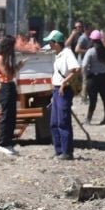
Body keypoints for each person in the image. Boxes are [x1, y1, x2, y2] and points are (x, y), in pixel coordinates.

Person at [45, 30, 81, 160]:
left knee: (63, 121)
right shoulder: (58, 54)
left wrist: (64, 82)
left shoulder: (67, 53)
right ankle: (59, 150)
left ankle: (67, 152)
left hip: (63, 90)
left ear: (55, 43)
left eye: (50, 42)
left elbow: (76, 69)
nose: (49, 44)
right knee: (54, 122)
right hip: (56, 90)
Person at [0, 35, 24, 157]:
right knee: (6, 117)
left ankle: (8, 143)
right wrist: (16, 68)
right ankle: (2, 144)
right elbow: (8, 75)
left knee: (12, 117)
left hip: (10, 87)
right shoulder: (0, 58)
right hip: (5, 88)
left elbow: (10, 74)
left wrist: (17, 66)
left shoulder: (5, 58)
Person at [81, 30, 105, 125]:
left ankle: (88, 119)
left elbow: (84, 65)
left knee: (93, 100)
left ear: (92, 40)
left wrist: (85, 75)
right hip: (104, 77)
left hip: (93, 78)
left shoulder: (90, 52)